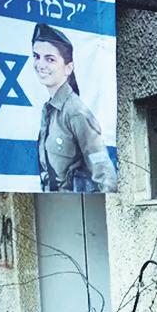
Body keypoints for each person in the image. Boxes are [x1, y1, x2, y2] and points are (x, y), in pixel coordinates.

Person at [31, 23, 117, 193]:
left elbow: (105, 174)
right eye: (37, 56)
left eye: (50, 59)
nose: (40, 64)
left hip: (76, 203)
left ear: (68, 68)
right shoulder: (49, 110)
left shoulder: (75, 112)